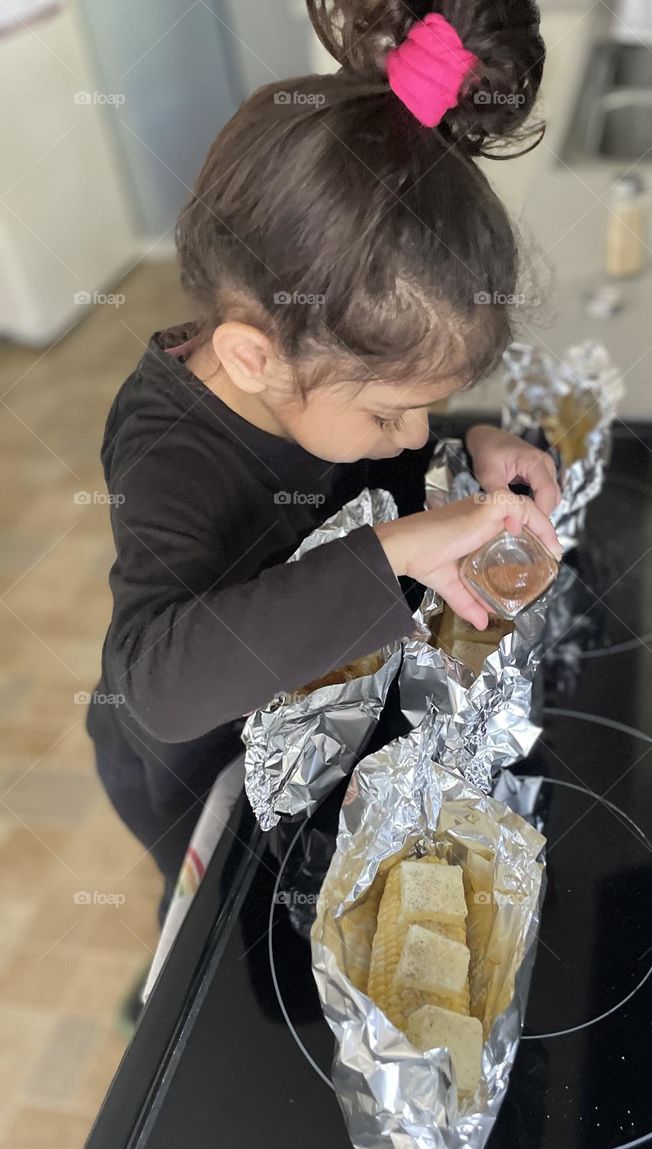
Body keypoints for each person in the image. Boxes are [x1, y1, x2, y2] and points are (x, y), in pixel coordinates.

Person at [86, 0, 562, 912]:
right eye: (393, 412)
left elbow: (368, 457)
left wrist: (470, 446)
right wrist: (395, 551)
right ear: (253, 358)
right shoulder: (168, 452)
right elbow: (157, 687)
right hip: (200, 779)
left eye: (429, 407)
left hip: (303, 727)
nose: (412, 434)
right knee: (213, 926)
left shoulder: (311, 381)